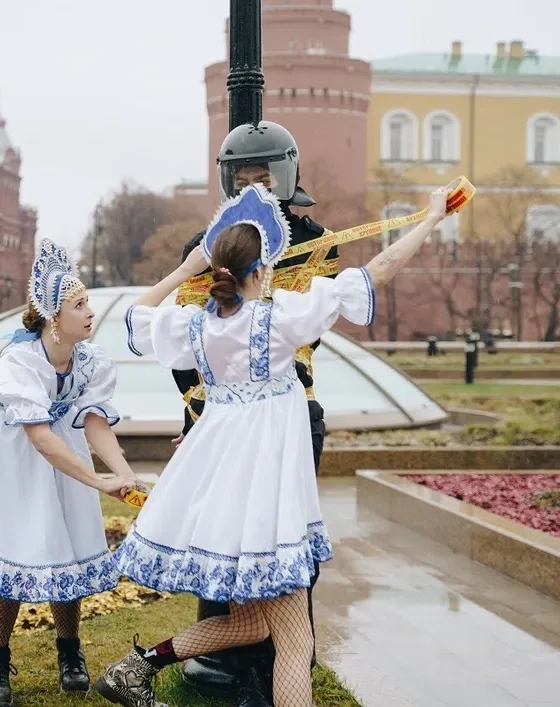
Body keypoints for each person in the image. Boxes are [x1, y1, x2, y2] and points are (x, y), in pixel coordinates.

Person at [97, 183, 450, 707]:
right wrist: (432, 218)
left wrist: (185, 269)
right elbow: (377, 271)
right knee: (294, 639)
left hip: (221, 497)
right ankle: (137, 670)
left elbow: (137, 314)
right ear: (263, 269)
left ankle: (134, 669)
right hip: (266, 505)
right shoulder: (281, 319)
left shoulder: (195, 326)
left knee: (252, 625)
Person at [170, 120, 344, 707]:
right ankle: (239, 669)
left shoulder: (319, 242)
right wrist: (199, 418)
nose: (253, 189)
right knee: (227, 545)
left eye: (264, 178)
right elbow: (190, 348)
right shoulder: (205, 247)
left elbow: (304, 332)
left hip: (293, 415)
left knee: (291, 548)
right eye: (243, 179)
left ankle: (286, 667)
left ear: (287, 175)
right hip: (219, 420)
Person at [0, 238, 138, 707]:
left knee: (68, 540)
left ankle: (70, 654)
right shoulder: (19, 362)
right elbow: (38, 437)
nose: (90, 312)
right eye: (79, 305)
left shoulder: (90, 361)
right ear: (52, 318)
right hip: (10, 457)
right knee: (11, 549)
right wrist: (96, 481)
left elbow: (95, 421)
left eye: (88, 302)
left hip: (61, 447)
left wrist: (124, 474)